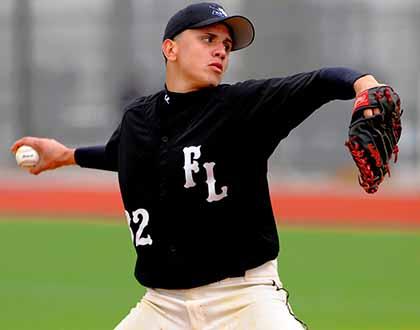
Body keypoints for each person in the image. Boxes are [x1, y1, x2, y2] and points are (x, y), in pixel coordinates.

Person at [11, 2, 388, 329]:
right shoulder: (138, 118)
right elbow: (125, 155)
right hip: (162, 305)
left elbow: (319, 82)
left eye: (226, 45)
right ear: (170, 48)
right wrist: (66, 155)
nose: (221, 51)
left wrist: (363, 84)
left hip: (243, 299)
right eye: (208, 40)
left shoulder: (242, 108)